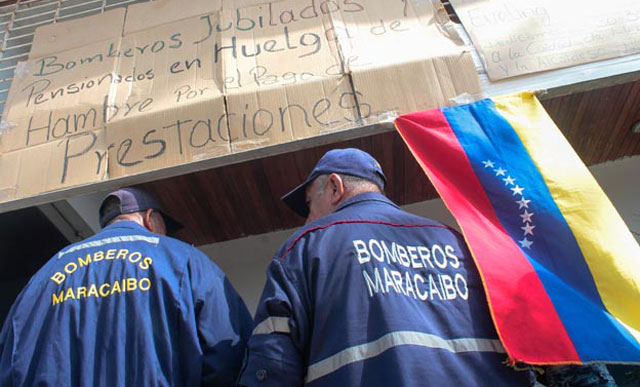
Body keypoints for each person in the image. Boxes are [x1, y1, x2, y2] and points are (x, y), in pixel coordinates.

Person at [239, 148, 536, 386]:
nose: (307, 219)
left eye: (308, 204)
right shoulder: (459, 242)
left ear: (334, 187)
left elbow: (273, 361)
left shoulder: (304, 247)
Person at [0, 187, 253, 386]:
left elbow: (9, 363)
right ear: (151, 219)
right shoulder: (184, 260)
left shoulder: (46, 274)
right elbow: (232, 354)